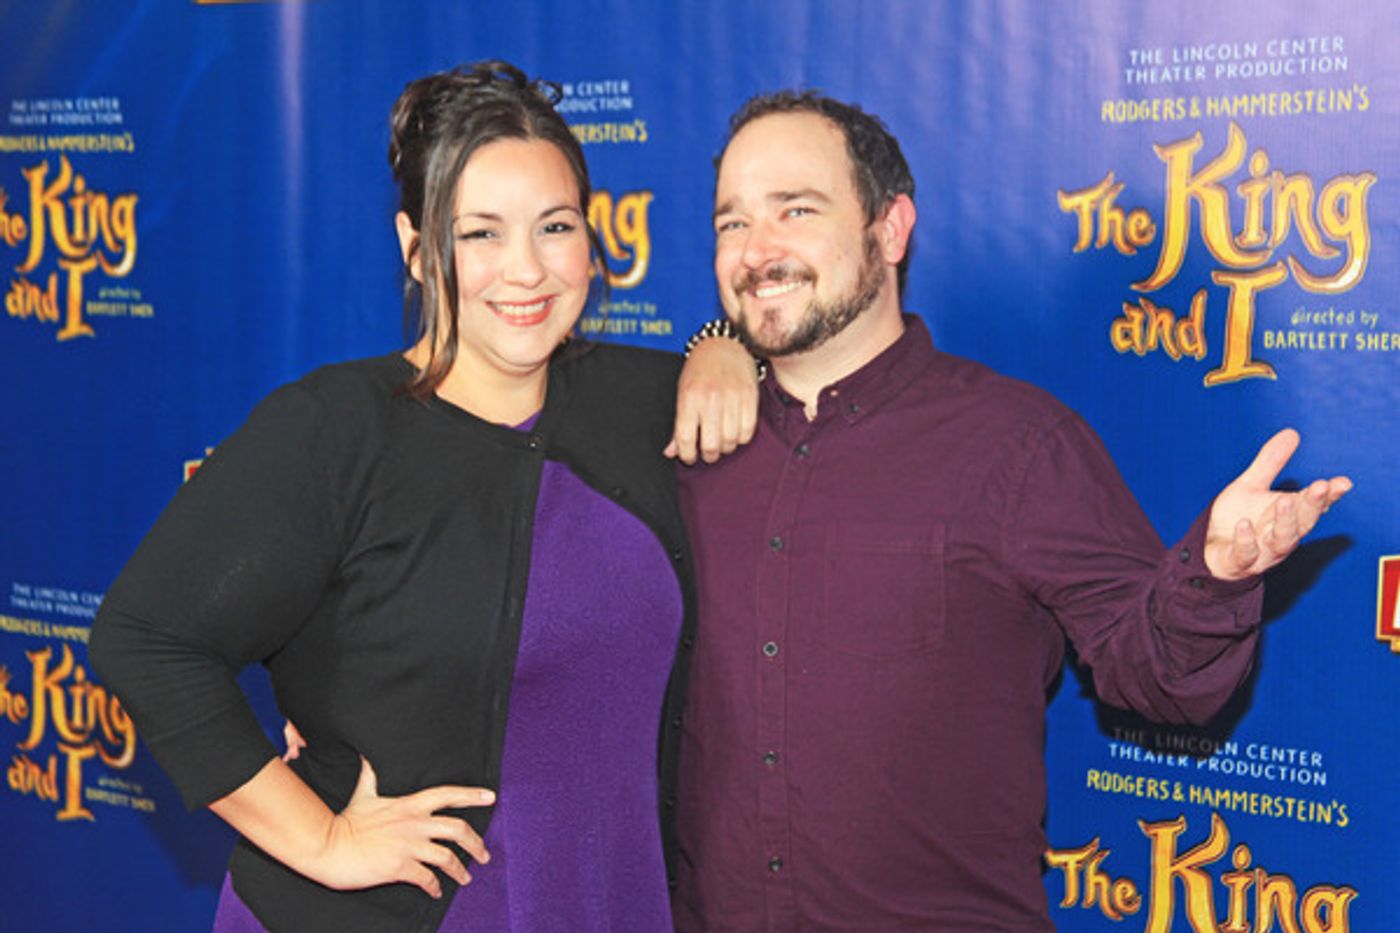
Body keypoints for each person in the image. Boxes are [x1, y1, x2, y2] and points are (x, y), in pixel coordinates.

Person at [89, 62, 755, 933]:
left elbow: (786, 346)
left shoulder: (643, 401)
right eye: (479, 233)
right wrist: (323, 840)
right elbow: (143, 635)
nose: (525, 269)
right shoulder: (332, 428)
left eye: (555, 226)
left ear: (592, 240)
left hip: (603, 900)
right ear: (415, 246)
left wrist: (723, 340)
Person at [670, 91, 1351, 931]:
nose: (756, 250)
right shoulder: (677, 441)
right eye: (731, 222)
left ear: (889, 228)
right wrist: (715, 343)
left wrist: (1215, 577)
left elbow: (1160, 677)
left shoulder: (1019, 444)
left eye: (795, 209)